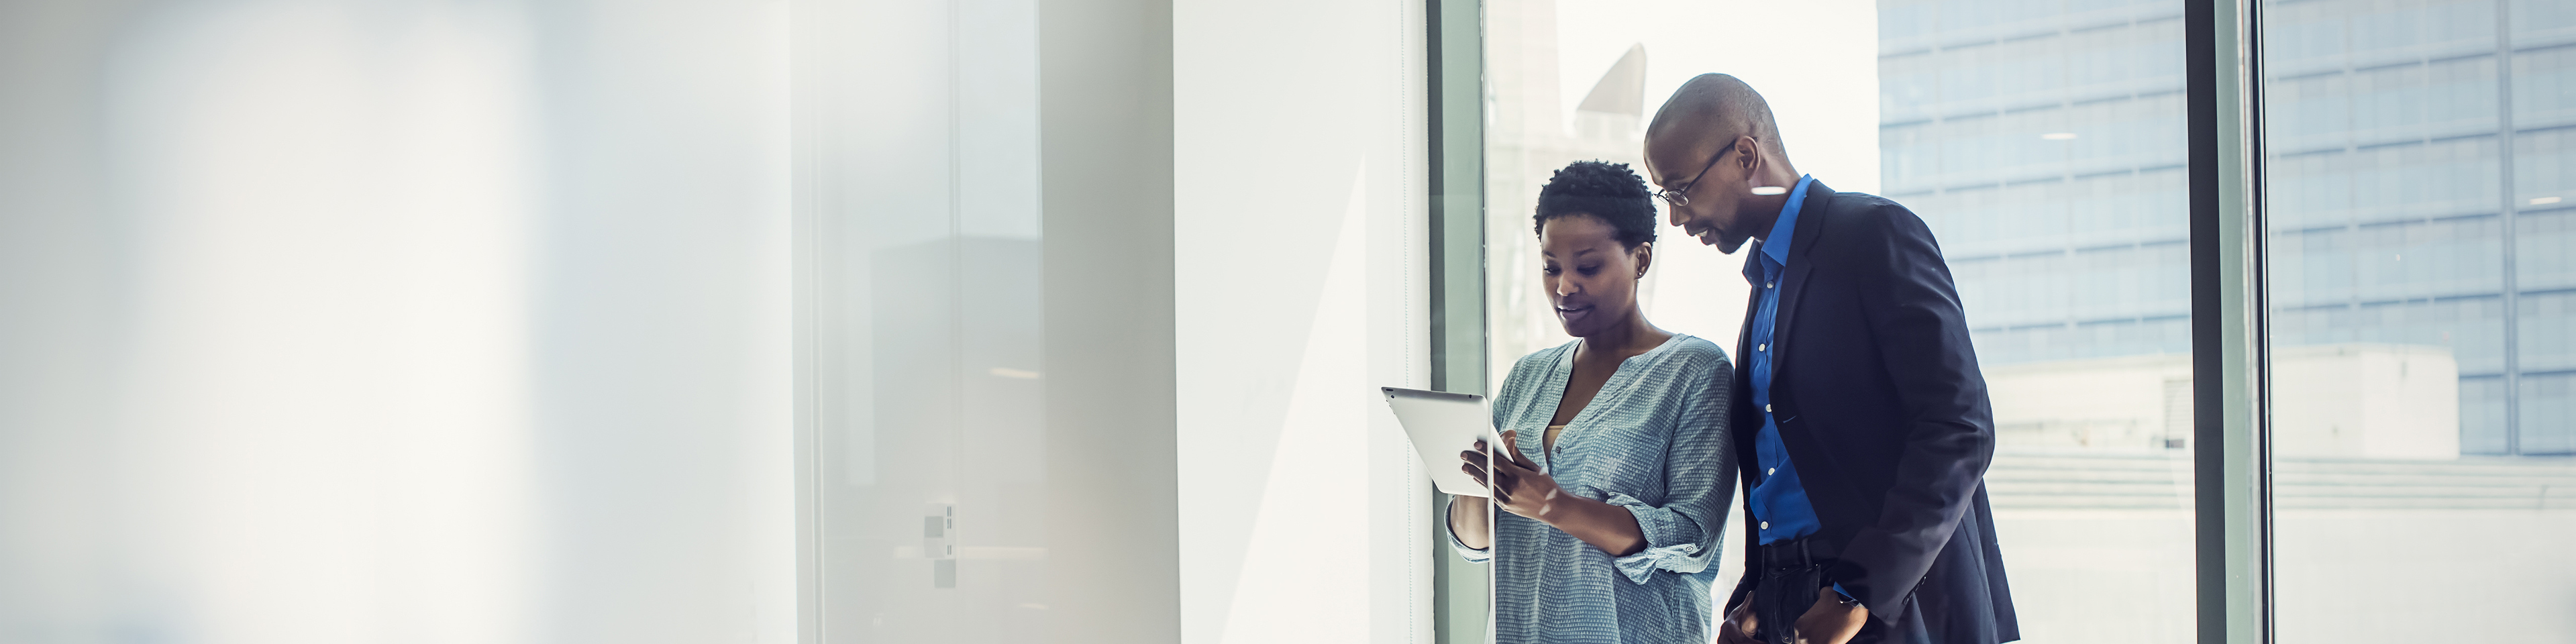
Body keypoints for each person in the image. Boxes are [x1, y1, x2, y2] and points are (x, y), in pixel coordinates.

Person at [1640, 74, 2018, 644]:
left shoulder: (1873, 235)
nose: (1676, 217)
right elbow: (1785, 476)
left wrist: (1856, 593)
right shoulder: (1766, 285)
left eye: (1680, 190)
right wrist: (1754, 598)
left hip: (1892, 604)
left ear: (1745, 155)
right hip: (1793, 608)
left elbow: (1959, 429)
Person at [1447, 160, 1737, 644]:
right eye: (1550, 267)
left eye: (1588, 267)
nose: (1563, 287)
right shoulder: (1527, 377)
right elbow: (1476, 543)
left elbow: (1691, 539)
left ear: (1640, 260)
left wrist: (1552, 505)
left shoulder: (1695, 371)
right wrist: (1478, 482)